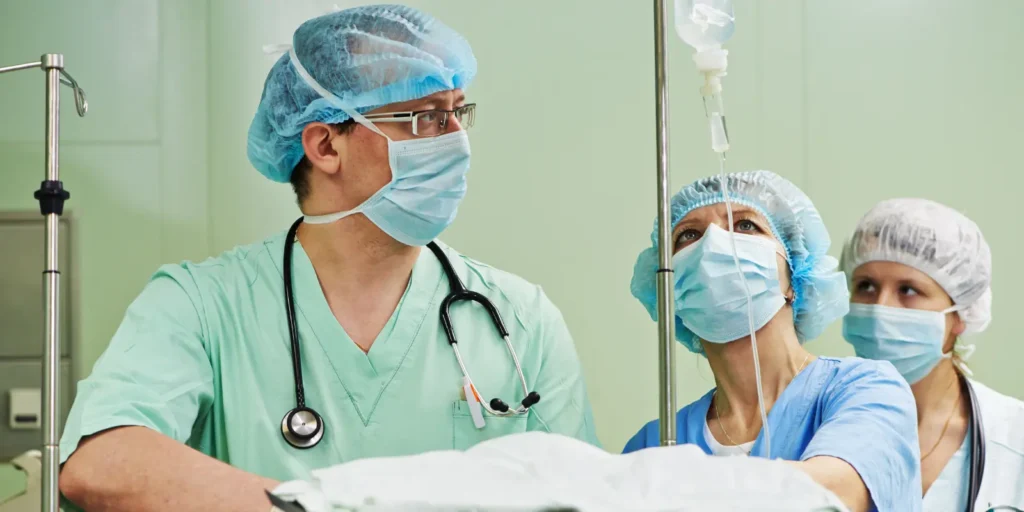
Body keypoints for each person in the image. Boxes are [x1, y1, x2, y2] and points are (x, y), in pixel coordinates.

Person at [57, 5, 597, 511]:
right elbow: (101, 462)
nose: (457, 141)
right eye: (426, 118)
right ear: (325, 146)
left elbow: (584, 496)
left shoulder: (521, 319)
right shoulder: (201, 307)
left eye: (458, 113)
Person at [622, 171, 922, 512]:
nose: (713, 243)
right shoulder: (654, 443)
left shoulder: (866, 390)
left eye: (746, 225)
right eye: (688, 235)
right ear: (670, 288)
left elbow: (832, 496)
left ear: (795, 274)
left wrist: (673, 485)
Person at [841, 198, 1024, 511]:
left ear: (961, 314)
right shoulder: (817, 423)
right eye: (866, 286)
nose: (880, 308)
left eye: (908, 290)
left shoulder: (1014, 436)